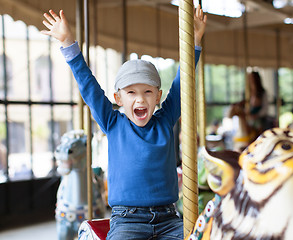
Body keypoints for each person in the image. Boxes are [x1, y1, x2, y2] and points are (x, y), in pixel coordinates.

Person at [41, 6, 207, 240]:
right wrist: (68, 43)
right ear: (118, 99)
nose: (140, 98)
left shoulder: (165, 119)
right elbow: (89, 88)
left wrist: (196, 41)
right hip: (128, 220)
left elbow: (182, 84)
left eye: (148, 91)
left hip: (170, 219)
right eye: (131, 93)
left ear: (158, 97)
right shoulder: (113, 122)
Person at [246, 71, 269, 135]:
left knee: (259, 127)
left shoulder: (262, 93)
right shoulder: (248, 93)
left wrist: (257, 115)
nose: (250, 80)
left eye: (252, 78)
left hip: (259, 118)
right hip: (250, 118)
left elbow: (265, 108)